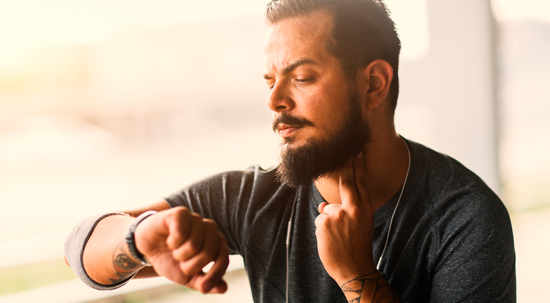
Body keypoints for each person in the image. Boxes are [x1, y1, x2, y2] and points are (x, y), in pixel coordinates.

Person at [64, 0, 516, 302]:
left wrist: (356, 274)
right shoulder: (256, 196)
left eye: (301, 77)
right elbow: (79, 252)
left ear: (374, 84)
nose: (275, 100)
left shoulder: (465, 218)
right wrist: (141, 237)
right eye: (269, 80)